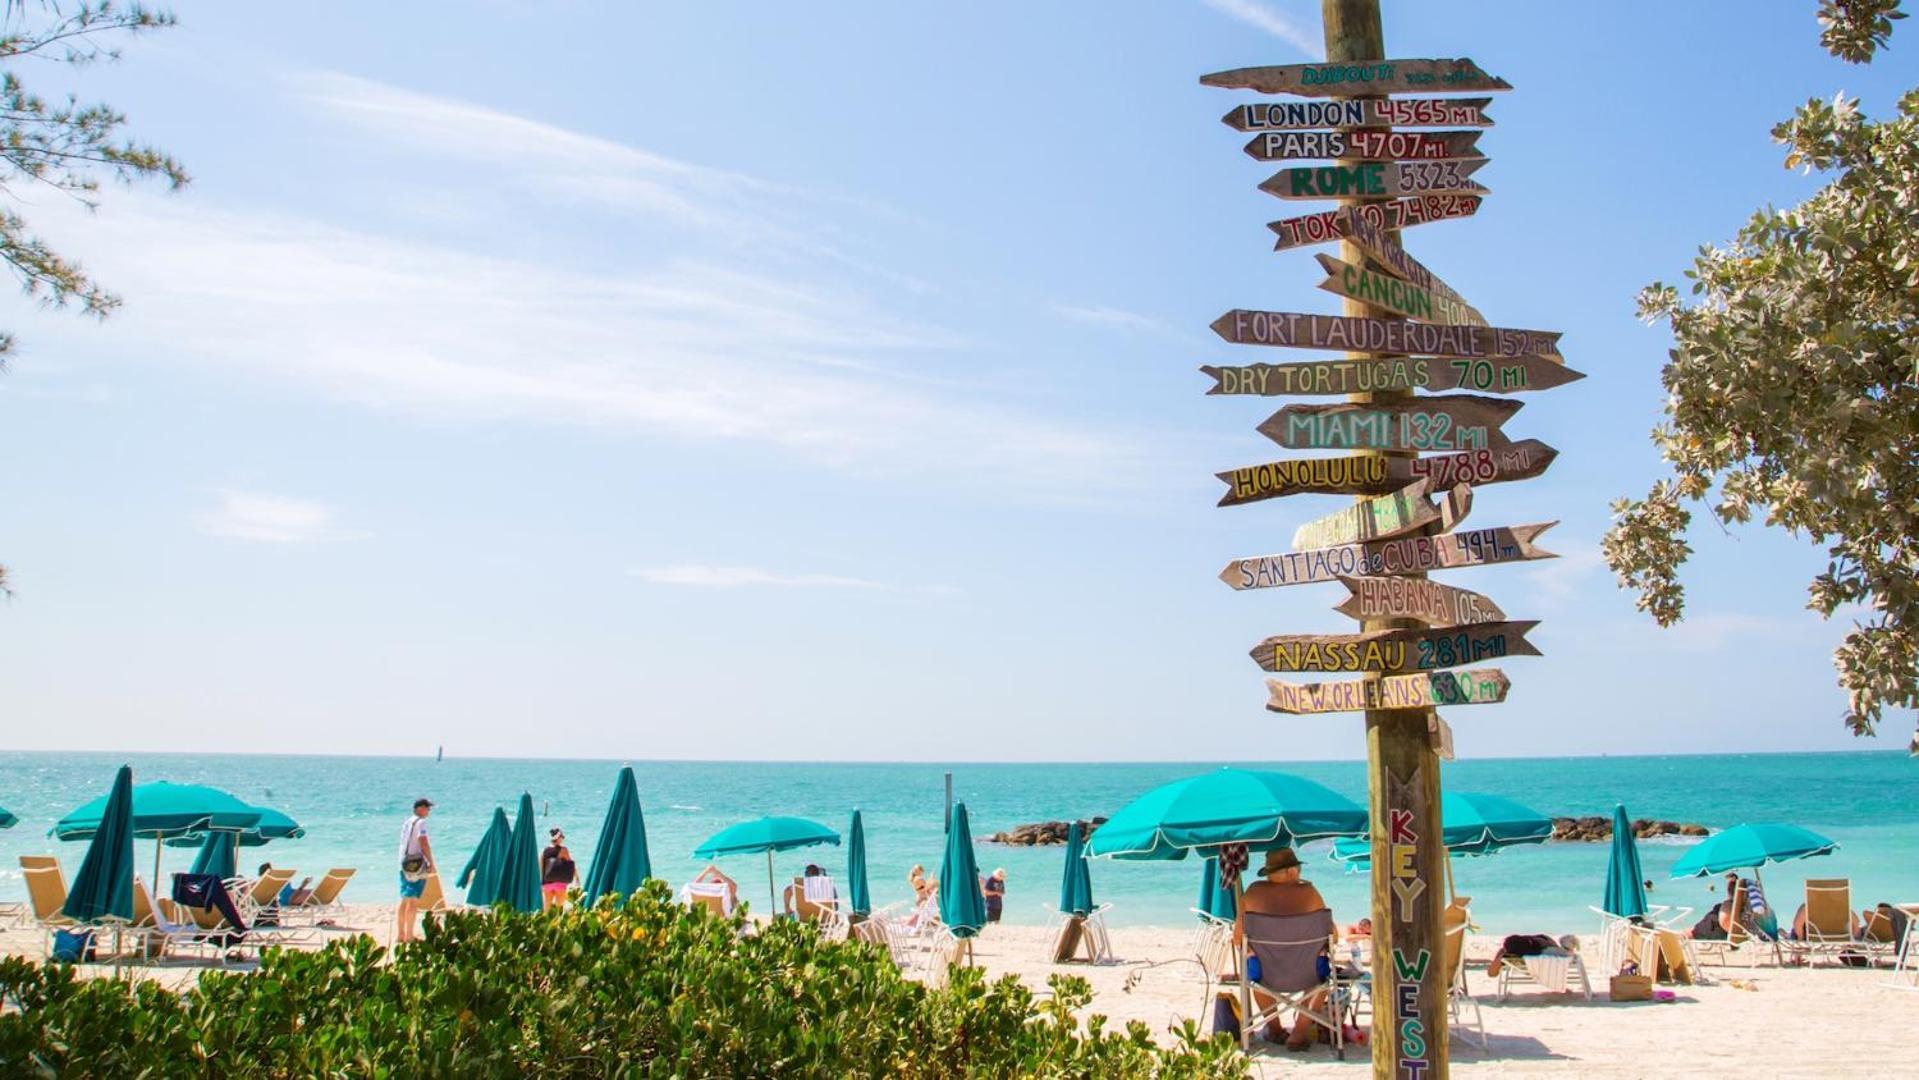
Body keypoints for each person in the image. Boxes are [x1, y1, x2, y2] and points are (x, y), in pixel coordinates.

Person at [1239, 847, 1332, 1051]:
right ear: (1291, 871)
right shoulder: (1309, 892)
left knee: (1254, 976)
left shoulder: (1253, 893)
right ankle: (1298, 1035)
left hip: (1266, 974)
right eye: (1298, 868)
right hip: (1306, 973)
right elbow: (1331, 934)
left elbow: (1238, 939)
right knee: (1321, 983)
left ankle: (1275, 1030)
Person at [396, 797, 435, 944]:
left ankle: (400, 934)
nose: (428, 811)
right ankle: (409, 936)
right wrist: (431, 862)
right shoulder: (421, 823)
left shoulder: (407, 822)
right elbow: (423, 842)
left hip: (403, 863)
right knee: (413, 900)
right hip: (415, 865)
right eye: (427, 808)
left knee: (404, 899)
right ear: (420, 808)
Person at [540, 828, 576, 909]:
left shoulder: (543, 851)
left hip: (547, 883)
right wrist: (576, 878)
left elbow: (541, 869)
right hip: (560, 882)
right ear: (558, 837)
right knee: (559, 909)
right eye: (562, 837)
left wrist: (542, 884)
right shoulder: (563, 850)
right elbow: (571, 865)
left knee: (546, 909)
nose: (562, 839)